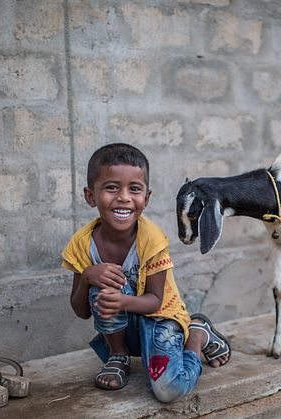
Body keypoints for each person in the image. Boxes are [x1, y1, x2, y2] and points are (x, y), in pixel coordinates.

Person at [61, 143, 230, 402]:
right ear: (90, 196)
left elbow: (155, 300)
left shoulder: (151, 239)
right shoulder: (81, 243)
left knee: (168, 390)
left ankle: (196, 334)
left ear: (146, 198)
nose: (124, 197)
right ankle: (118, 355)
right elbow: (81, 310)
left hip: (161, 319)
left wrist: (122, 301)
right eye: (111, 187)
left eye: (134, 189)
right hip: (128, 329)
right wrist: (87, 277)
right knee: (104, 280)